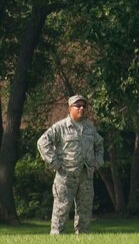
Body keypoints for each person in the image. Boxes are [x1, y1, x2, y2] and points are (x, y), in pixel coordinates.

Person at [36, 94, 104, 235]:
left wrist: (98, 162)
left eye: (84, 106)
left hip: (86, 176)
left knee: (85, 211)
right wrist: (55, 163)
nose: (81, 108)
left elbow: (99, 145)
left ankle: (82, 240)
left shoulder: (90, 128)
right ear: (69, 108)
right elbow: (42, 142)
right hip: (65, 177)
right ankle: (56, 240)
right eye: (77, 105)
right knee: (61, 211)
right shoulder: (60, 127)